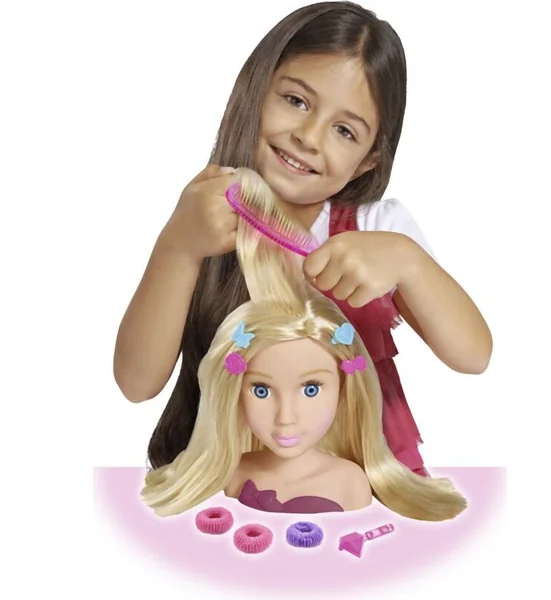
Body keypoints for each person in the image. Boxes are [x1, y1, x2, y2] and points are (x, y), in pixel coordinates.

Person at [114, 1, 492, 475]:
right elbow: (136, 384)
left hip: (366, 484)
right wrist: (178, 249)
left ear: (368, 160)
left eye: (344, 131)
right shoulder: (205, 218)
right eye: (296, 101)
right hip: (235, 484)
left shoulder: (379, 228)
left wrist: (410, 262)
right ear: (255, 89)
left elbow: (473, 356)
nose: (309, 137)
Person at [141, 212, 467, 521]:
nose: (286, 417)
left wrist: (408, 258)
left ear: (344, 388)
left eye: (311, 389)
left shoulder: (350, 483)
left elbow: (472, 355)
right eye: (261, 390)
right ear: (232, 390)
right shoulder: (235, 473)